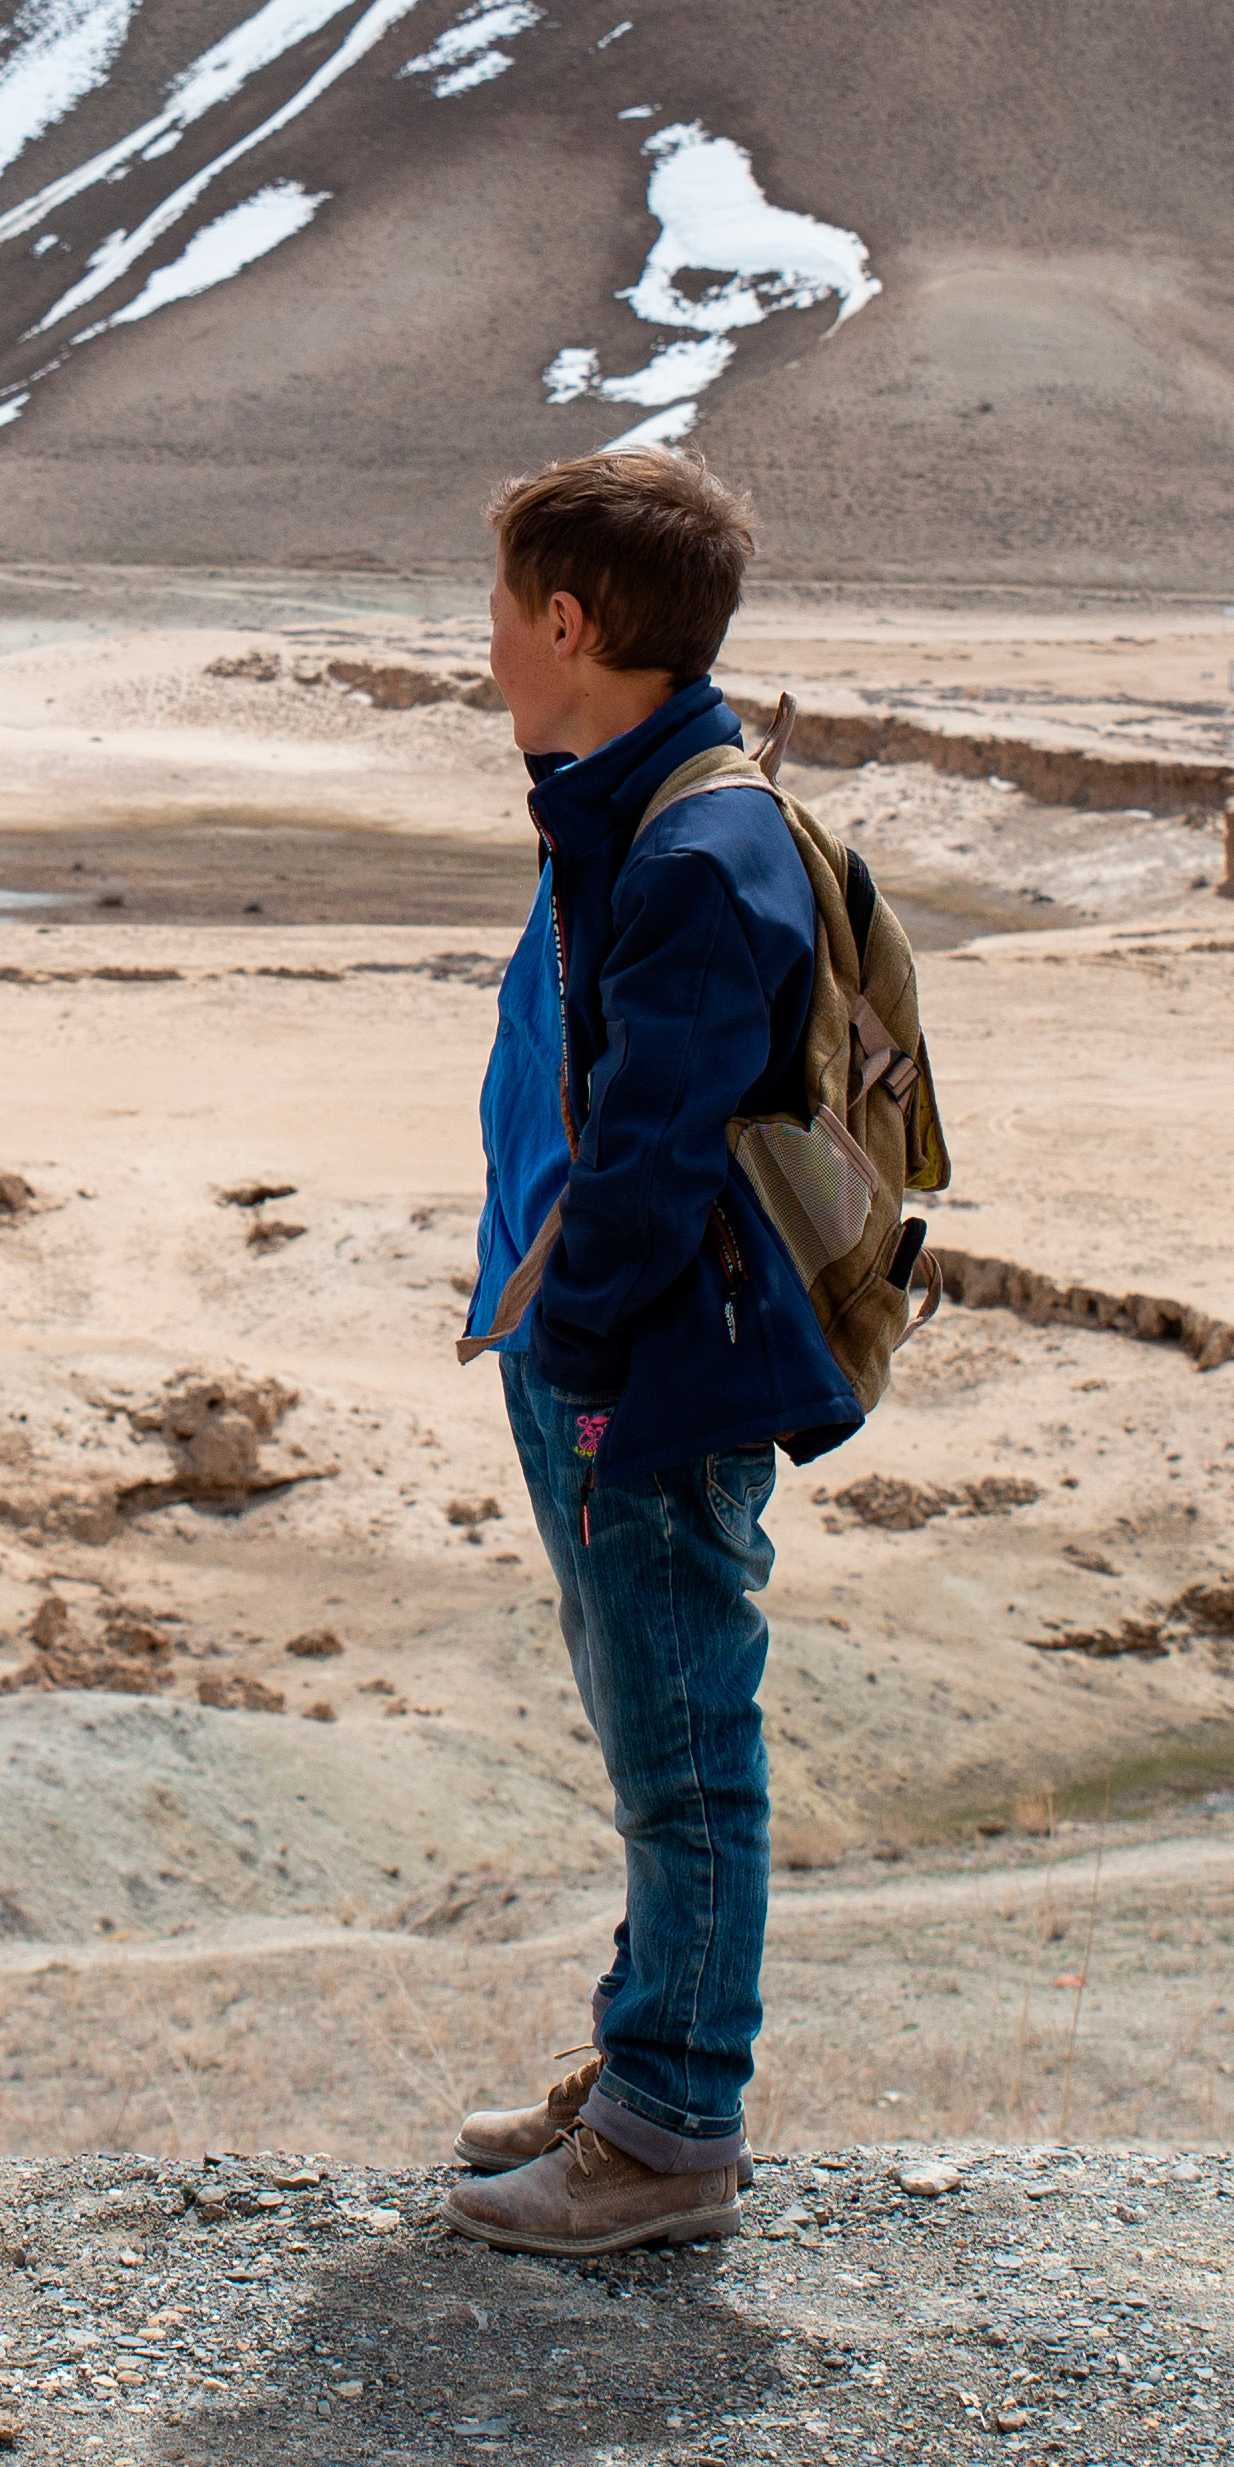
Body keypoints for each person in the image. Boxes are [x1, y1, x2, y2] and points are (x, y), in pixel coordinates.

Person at [445, 448, 863, 2255]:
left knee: (685, 1741)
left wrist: (591, 1358)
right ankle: (641, 2064)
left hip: (648, 1373)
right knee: (647, 1725)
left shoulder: (696, 845)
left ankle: (674, 2122)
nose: (483, 647)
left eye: (498, 610)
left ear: (565, 622)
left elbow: (652, 1154)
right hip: (606, 1350)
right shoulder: (627, 797)